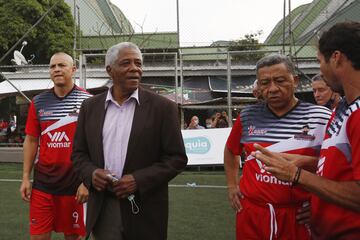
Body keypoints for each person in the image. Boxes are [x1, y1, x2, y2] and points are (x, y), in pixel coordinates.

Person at [253, 22, 360, 239]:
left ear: (336, 58)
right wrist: (309, 163)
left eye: (320, 61)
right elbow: (345, 170)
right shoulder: (343, 108)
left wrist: (296, 175)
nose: (319, 69)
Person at [71, 42, 188, 240]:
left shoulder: (163, 108)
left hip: (146, 207)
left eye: (138, 63)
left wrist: (138, 180)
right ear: (110, 70)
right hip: (104, 206)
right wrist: (91, 174)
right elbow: (78, 154)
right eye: (126, 63)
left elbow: (176, 158)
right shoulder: (90, 107)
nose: (135, 68)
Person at [224, 54, 331, 240]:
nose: (272, 89)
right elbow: (231, 150)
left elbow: (335, 167)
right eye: (264, 83)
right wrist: (232, 185)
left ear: (295, 81)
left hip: (298, 216)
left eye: (280, 81)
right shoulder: (248, 115)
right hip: (252, 213)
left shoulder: (321, 116)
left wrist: (321, 203)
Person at [19, 52, 91, 240]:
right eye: (52, 66)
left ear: (73, 70)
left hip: (76, 185)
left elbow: (96, 144)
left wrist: (87, 182)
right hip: (43, 185)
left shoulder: (89, 102)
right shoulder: (38, 102)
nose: (56, 69)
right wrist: (26, 177)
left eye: (61, 65)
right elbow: (31, 140)